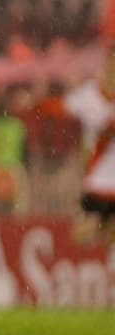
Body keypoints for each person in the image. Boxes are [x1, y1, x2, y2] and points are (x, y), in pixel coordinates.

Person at [63, 44, 115, 242]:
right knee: (82, 235)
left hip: (99, 181)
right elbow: (62, 106)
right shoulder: (90, 95)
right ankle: (105, 227)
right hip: (97, 178)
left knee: (90, 233)